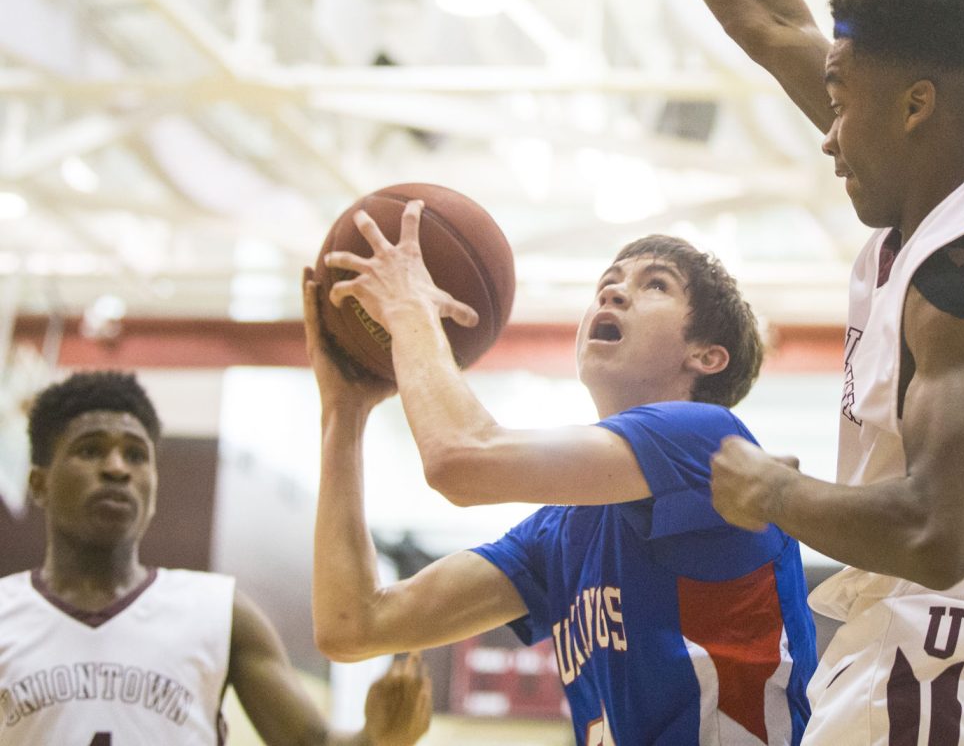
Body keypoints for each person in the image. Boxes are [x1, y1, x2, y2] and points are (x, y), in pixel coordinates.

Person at [551, 0, 964, 744]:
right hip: (933, 665)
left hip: (943, 675)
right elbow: (772, 26)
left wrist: (773, 491)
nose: (826, 132)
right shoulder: (952, 209)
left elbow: (936, 533)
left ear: (916, 105)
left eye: (841, 101)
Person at [308, 212, 817, 746]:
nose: (613, 293)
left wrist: (410, 307)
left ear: (706, 356)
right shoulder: (559, 533)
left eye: (655, 285)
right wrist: (344, 411)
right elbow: (353, 625)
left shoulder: (709, 442)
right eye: (607, 283)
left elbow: (460, 460)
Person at [0, 369, 432, 745]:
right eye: (90, 449)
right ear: (38, 484)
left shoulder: (221, 612)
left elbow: (313, 743)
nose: (117, 468)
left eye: (136, 454)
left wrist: (378, 737)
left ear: (154, 486)